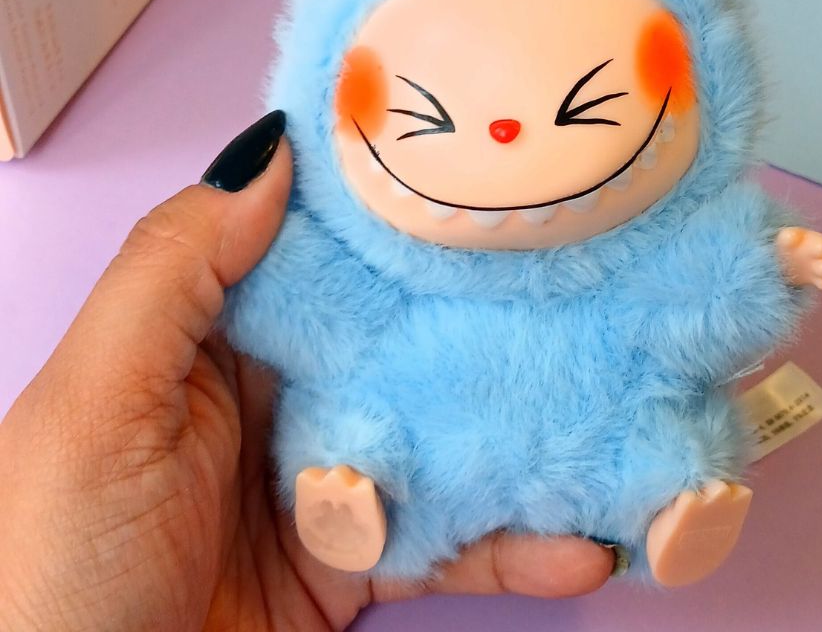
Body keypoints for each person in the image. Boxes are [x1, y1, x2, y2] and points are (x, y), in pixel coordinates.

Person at [0, 115, 617, 630]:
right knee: (344, 432)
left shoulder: (616, 262)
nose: (503, 131)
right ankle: (347, 500)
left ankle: (663, 503)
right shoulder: (360, 253)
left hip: (565, 409)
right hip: (388, 428)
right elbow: (306, 305)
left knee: (640, 443)